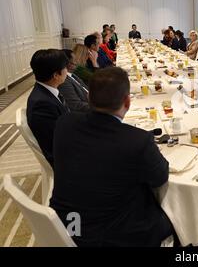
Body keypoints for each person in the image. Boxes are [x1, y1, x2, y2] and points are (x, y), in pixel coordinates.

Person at [50, 67, 174, 247]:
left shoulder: (64, 123)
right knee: (176, 219)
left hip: (67, 225)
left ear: (88, 97)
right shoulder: (138, 141)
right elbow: (160, 177)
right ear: (127, 102)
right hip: (111, 237)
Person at [27, 49, 69, 167]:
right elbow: (57, 144)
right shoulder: (41, 104)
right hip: (65, 161)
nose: (67, 70)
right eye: (65, 67)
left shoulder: (46, 92)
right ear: (56, 75)